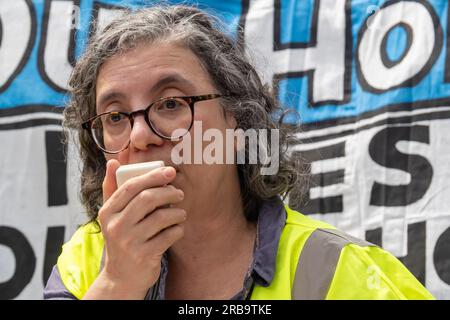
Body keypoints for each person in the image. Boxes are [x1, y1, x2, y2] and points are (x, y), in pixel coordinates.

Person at [44, 5, 433, 300]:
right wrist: (117, 284)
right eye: (114, 116)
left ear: (236, 120)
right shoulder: (86, 263)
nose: (141, 135)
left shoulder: (340, 269)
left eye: (170, 104)